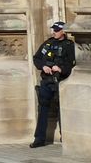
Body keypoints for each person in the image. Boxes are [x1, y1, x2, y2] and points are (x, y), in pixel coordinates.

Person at [31, 19, 76, 148]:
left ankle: (65, 138)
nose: (54, 32)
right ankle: (39, 139)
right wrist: (43, 66)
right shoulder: (48, 44)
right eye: (54, 30)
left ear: (63, 31)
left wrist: (61, 69)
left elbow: (72, 63)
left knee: (63, 110)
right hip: (47, 81)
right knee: (43, 109)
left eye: (57, 30)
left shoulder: (69, 45)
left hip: (60, 81)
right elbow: (37, 58)